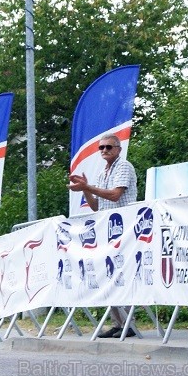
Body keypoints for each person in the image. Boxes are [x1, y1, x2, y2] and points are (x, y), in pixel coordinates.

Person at [68, 133, 138, 338]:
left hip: (124, 228)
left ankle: (129, 324)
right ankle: (119, 322)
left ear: (118, 149)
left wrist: (87, 187)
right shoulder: (102, 173)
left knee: (123, 275)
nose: (105, 150)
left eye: (109, 147)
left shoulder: (123, 166)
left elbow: (116, 196)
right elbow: (96, 206)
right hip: (108, 229)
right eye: (101, 148)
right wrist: (86, 190)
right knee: (109, 274)